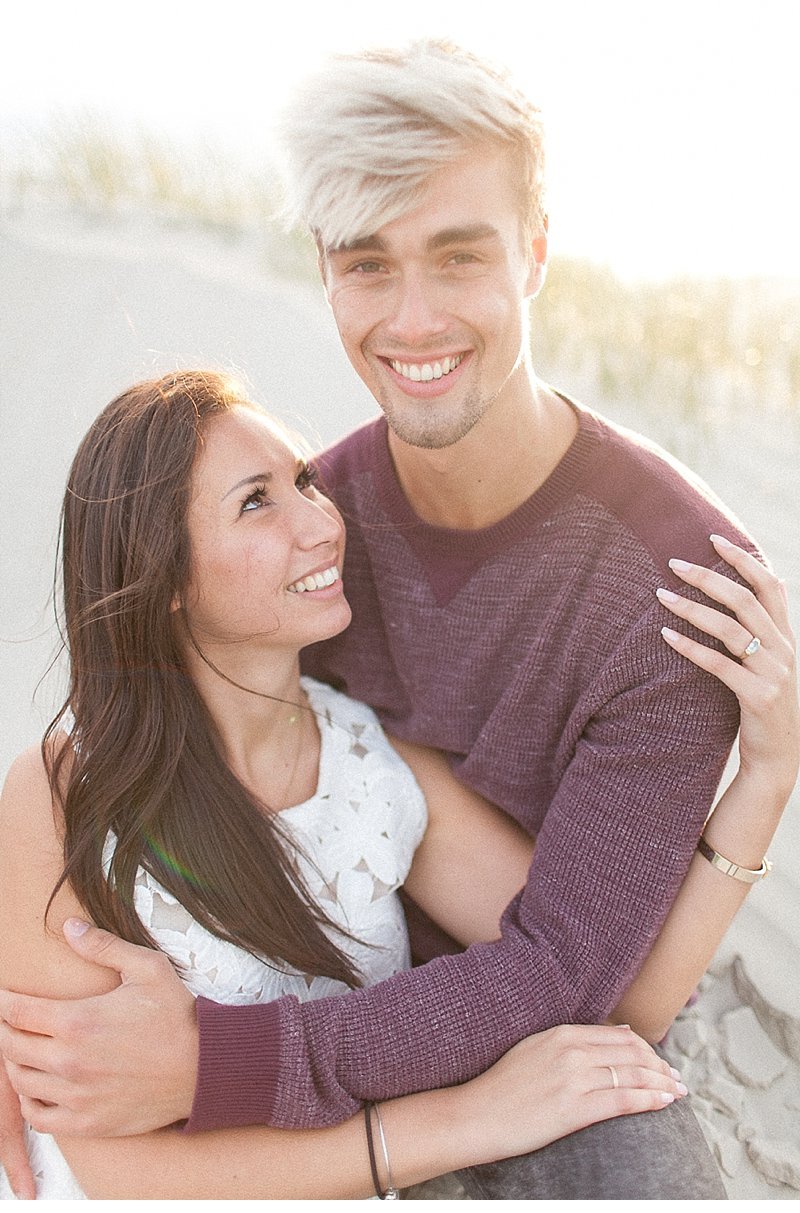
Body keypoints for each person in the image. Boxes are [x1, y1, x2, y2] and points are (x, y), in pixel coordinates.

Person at [1, 39, 798, 1200]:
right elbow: (122, 732)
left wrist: (218, 1064)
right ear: (323, 269)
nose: (411, 318)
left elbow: (576, 974)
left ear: (533, 251)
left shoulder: (670, 590)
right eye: (367, 265)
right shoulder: (309, 542)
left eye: (456, 256)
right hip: (271, 1076)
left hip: (525, 1021)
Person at [0, 369, 694, 1199]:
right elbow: (123, 1173)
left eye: (305, 481)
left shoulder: (376, 763)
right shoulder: (66, 794)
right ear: (169, 577)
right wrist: (466, 1118)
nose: (322, 524)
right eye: (257, 503)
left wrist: (764, 780)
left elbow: (597, 980)